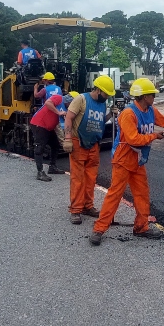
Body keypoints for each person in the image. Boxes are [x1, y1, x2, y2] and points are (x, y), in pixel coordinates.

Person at [90, 78, 164, 246]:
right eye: (151, 95)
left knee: (142, 195)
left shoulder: (150, 110)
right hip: (123, 159)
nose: (154, 97)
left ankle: (141, 227)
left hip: (138, 160)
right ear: (143, 96)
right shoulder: (128, 114)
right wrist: (155, 136)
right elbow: (133, 139)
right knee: (114, 195)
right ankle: (99, 229)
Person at [63, 76, 116, 224]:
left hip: (94, 144)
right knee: (78, 178)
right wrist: (67, 139)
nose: (106, 97)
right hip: (77, 141)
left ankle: (87, 206)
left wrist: (111, 114)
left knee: (91, 178)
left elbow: (100, 121)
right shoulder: (81, 99)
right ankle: (76, 210)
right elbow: (69, 118)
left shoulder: (102, 104)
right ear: (98, 90)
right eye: (105, 94)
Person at [29, 92, 65, 181]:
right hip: (39, 124)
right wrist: (58, 112)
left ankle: (52, 167)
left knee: (55, 145)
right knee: (39, 147)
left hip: (48, 127)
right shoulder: (59, 98)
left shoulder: (67, 109)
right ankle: (40, 172)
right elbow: (47, 103)